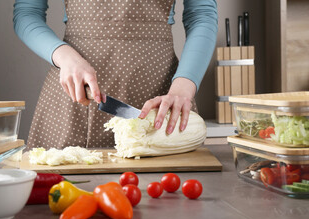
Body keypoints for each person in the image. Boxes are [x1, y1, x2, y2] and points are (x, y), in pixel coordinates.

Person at [13, 0, 218, 149]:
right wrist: (65, 57)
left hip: (160, 97)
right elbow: (27, 12)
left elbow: (202, 15)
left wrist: (183, 88)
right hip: (76, 96)